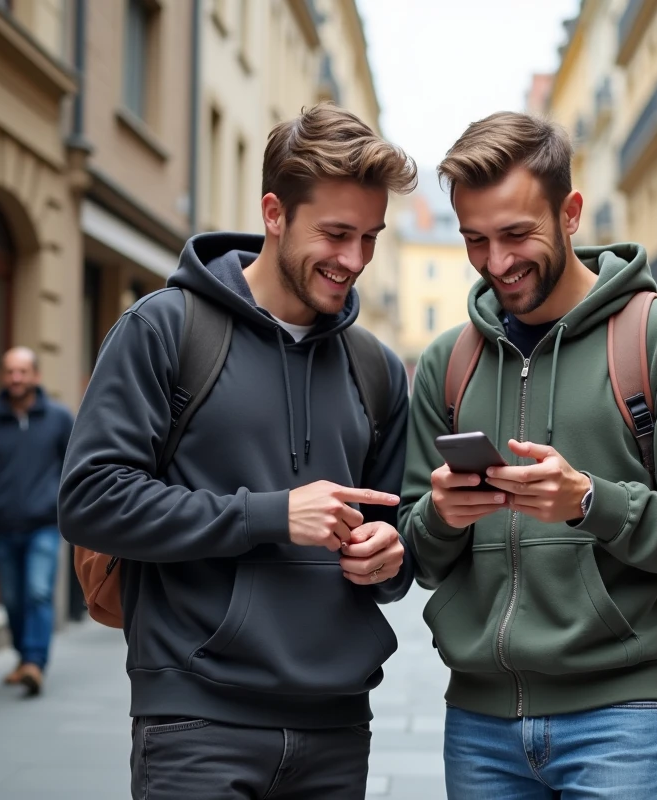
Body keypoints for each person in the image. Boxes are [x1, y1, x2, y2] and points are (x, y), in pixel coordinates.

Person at [58, 104, 417, 800]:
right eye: (337, 234)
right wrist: (270, 515)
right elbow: (90, 499)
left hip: (338, 726)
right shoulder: (165, 328)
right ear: (275, 212)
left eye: (369, 238)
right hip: (196, 721)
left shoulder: (376, 368)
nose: (354, 261)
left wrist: (389, 557)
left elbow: (392, 536)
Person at [399, 112, 657, 799]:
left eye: (515, 235)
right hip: (477, 723)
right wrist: (441, 516)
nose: (496, 262)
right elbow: (421, 553)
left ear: (570, 213)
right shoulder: (447, 362)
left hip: (620, 720)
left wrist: (593, 502)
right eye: (474, 239)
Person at [0, 347, 74, 697]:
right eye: (10, 371)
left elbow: (76, 465)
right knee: (12, 600)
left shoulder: (58, 418)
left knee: (38, 592)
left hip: (44, 523)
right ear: (2, 376)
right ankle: (23, 656)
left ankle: (34, 664)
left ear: (36, 376)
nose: (16, 378)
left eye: (23, 371)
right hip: (4, 525)